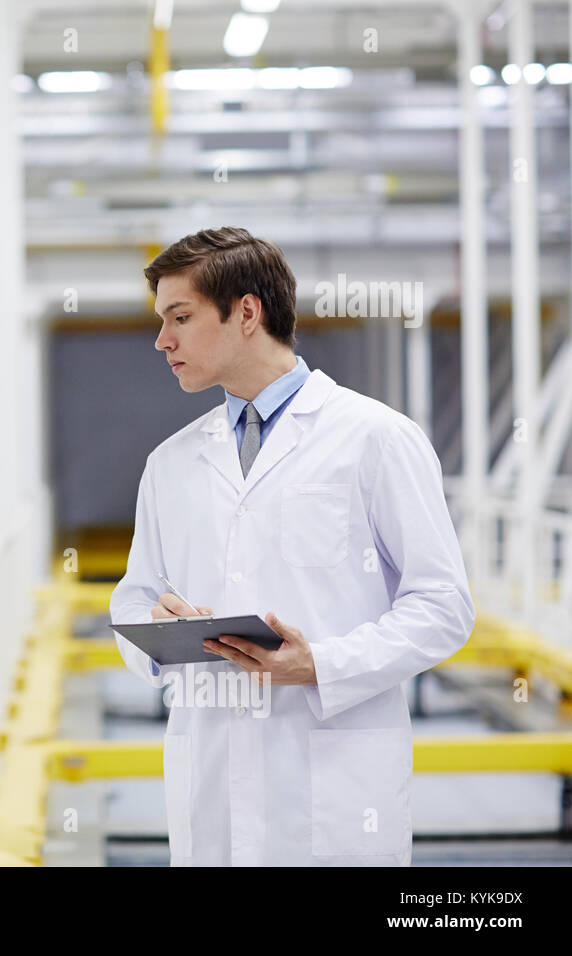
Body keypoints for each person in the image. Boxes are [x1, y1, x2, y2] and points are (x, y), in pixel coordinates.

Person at [110, 226, 475, 866]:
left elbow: (443, 605)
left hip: (334, 792)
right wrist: (155, 626)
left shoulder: (375, 439)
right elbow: (135, 598)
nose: (161, 340)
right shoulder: (170, 463)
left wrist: (322, 665)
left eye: (181, 317)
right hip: (212, 784)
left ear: (246, 312)